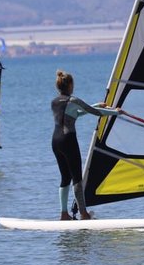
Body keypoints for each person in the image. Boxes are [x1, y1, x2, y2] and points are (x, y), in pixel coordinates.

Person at [51, 70, 121, 220]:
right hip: (68, 140)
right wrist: (115, 112)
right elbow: (95, 112)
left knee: (65, 178)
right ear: (70, 85)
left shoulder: (54, 102)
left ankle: (64, 213)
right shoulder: (73, 100)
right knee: (77, 178)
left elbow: (78, 113)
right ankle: (84, 214)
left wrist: (96, 104)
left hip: (55, 142)